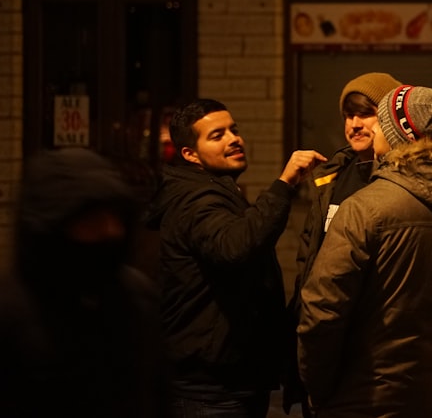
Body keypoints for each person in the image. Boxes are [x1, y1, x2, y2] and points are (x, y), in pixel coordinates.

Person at [298, 85, 432, 417]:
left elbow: (322, 311)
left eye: (379, 122)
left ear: (397, 135)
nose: (371, 128)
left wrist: (319, 386)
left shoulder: (365, 208)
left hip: (364, 397)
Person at [145, 98, 326, 418]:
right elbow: (237, 247)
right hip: (209, 391)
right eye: (217, 135)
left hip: (227, 383)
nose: (233, 139)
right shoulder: (197, 200)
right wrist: (284, 185)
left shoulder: (212, 189)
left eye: (234, 130)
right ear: (190, 154)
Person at [0, 148, 169, 418]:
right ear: (51, 228)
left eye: (115, 216)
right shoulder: (11, 315)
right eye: (91, 219)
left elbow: (157, 392)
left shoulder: (137, 297)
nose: (110, 230)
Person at [282, 71, 402, 415]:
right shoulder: (332, 176)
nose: (354, 124)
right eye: (349, 115)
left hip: (372, 345)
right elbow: (310, 253)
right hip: (326, 334)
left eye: (365, 113)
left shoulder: (400, 180)